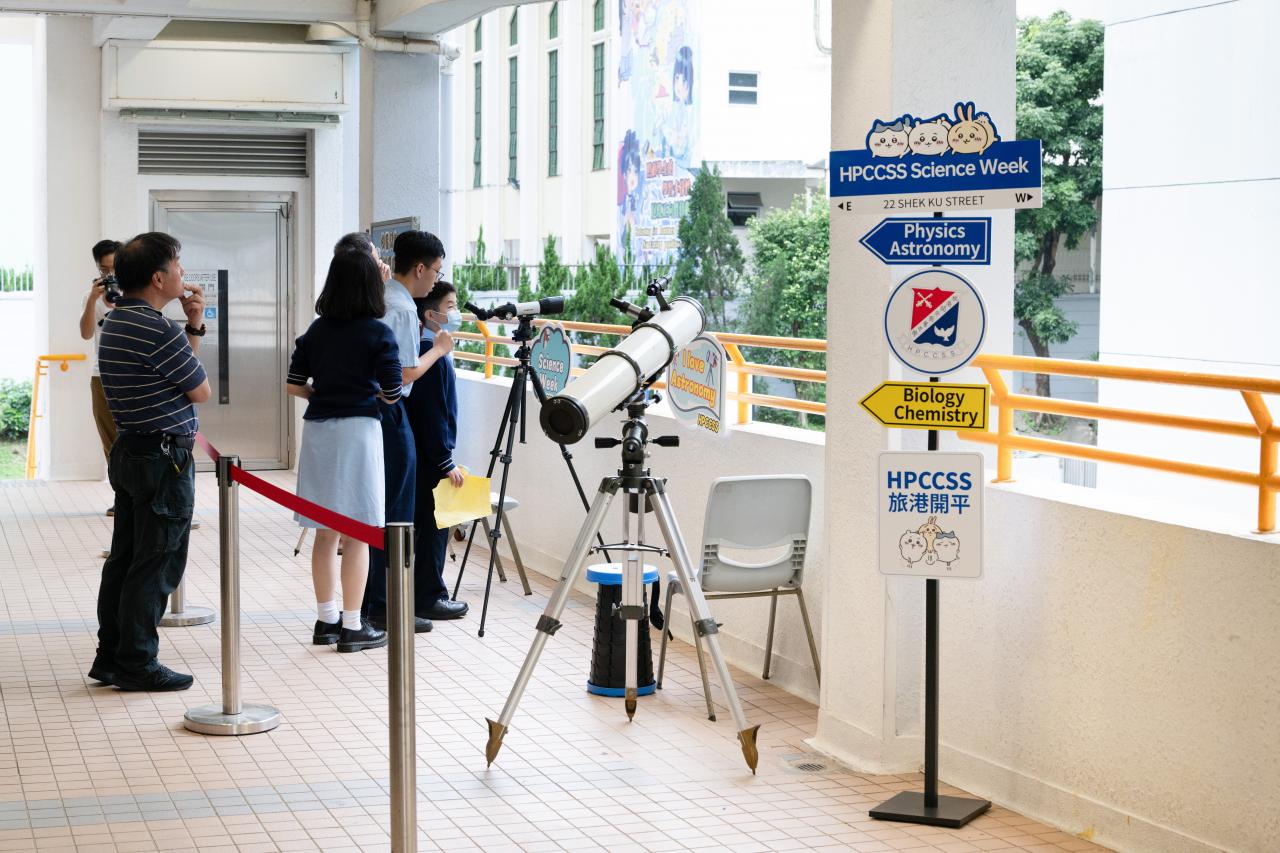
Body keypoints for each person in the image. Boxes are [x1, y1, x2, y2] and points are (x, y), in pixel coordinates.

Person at [90, 232, 210, 692]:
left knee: (125, 558)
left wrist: (193, 325)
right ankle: (138, 663)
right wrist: (190, 329)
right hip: (163, 460)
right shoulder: (157, 329)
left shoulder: (118, 320)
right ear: (158, 278)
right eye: (178, 266)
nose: (183, 273)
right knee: (156, 562)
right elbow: (200, 390)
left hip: (132, 451)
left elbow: (178, 375)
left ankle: (111, 655)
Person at [286, 250, 406, 652]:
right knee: (359, 533)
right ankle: (354, 626)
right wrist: (370, 395)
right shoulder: (378, 333)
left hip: (318, 433)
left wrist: (321, 395)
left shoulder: (317, 330)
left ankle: (326, 621)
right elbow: (393, 391)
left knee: (325, 533)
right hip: (359, 433)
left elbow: (293, 384)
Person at [363, 229, 454, 633]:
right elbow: (401, 375)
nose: (436, 279)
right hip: (390, 411)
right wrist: (439, 350)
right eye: (436, 271)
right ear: (419, 268)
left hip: (371, 413)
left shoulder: (379, 296)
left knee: (376, 511)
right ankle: (386, 606)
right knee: (396, 514)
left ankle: (373, 601)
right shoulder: (401, 309)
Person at [406, 283, 469, 620]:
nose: (456, 313)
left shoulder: (419, 351)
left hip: (418, 455)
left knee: (423, 525)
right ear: (431, 314)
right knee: (434, 526)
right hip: (431, 459)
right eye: (451, 306)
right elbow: (432, 414)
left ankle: (420, 593)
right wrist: (445, 461)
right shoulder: (433, 357)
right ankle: (430, 596)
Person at [78, 239, 121, 516]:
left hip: (132, 376)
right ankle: (122, 497)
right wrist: (93, 300)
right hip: (102, 376)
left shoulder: (137, 292)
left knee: (136, 439)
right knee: (111, 442)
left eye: (114, 267)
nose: (110, 274)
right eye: (104, 269)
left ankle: (139, 497)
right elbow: (85, 334)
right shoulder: (91, 296)